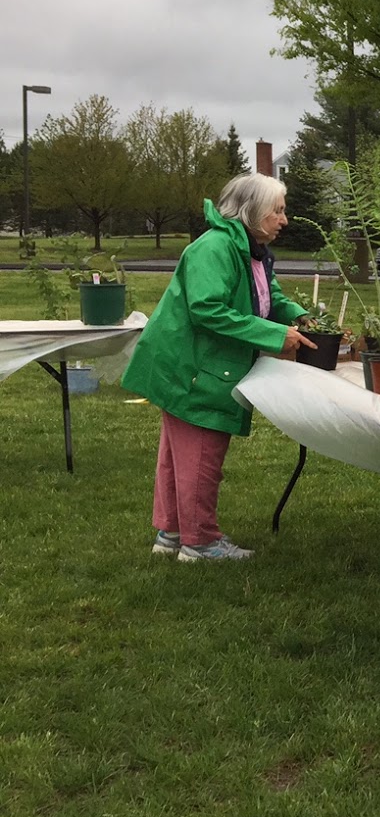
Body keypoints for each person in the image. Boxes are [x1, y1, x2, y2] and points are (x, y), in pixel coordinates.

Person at [123, 174, 316, 561]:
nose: (285, 219)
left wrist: (297, 315)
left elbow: (266, 294)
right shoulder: (215, 248)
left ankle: (172, 533)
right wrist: (276, 335)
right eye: (277, 211)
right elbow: (207, 308)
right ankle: (201, 543)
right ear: (252, 212)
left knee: (178, 453)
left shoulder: (249, 248)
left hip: (192, 364)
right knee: (200, 453)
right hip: (192, 366)